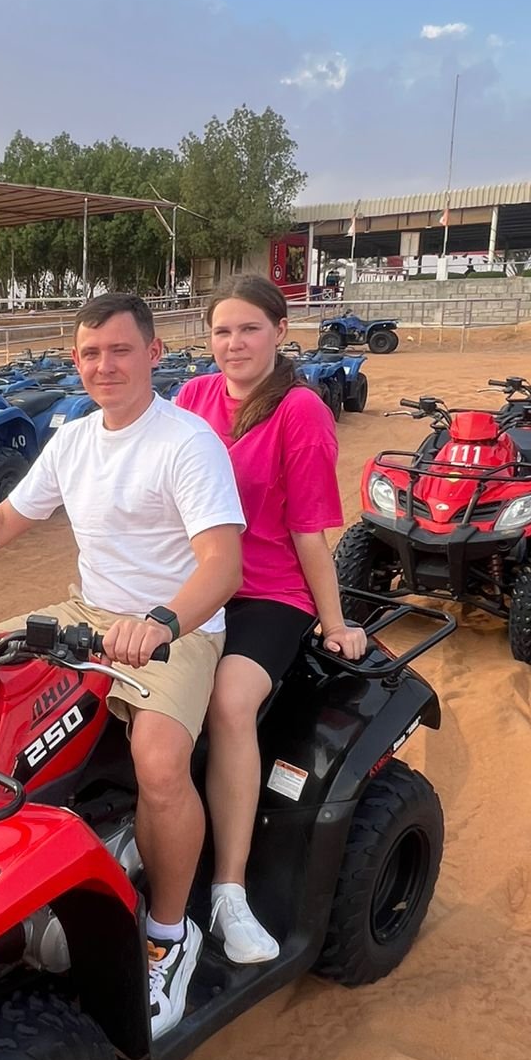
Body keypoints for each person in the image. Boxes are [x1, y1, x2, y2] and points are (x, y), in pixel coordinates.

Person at [0, 293, 244, 1039]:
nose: (103, 365)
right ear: (74, 361)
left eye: (118, 350)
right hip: (86, 614)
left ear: (152, 352)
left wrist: (164, 622)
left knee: (160, 761)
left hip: (178, 628)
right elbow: (8, 521)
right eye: (89, 353)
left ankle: (169, 936)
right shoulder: (74, 439)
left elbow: (222, 563)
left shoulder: (187, 441)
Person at [174, 276, 366, 964]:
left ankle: (229, 889)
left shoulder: (300, 411)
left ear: (280, 331)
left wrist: (335, 619)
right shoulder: (193, 398)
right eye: (222, 331)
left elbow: (310, 530)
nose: (234, 344)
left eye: (249, 329)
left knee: (229, 702)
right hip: (198, 580)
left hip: (268, 591)